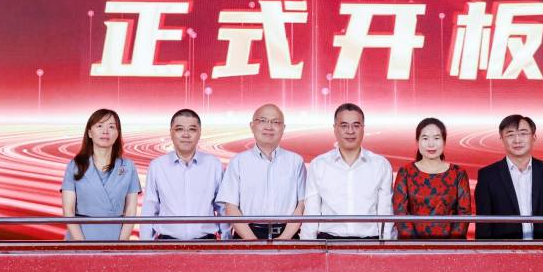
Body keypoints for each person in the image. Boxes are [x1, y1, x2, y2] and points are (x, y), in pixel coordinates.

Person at [302, 103, 394, 240]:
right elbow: (311, 212)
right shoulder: (319, 165)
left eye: (356, 125)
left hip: (370, 241)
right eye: (344, 125)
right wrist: (308, 246)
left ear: (363, 128)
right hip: (328, 241)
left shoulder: (380, 165)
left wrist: (386, 246)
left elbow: (385, 211)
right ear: (335, 128)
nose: (350, 131)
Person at [474, 114, 543, 240]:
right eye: (510, 134)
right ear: (501, 139)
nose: (517, 140)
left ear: (534, 137)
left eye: (523, 133)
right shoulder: (488, 175)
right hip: (504, 248)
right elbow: (483, 225)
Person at [218, 104, 306, 240]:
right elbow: (231, 207)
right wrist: (252, 242)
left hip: (287, 236)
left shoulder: (296, 161)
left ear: (283, 128)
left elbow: (301, 205)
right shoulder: (238, 162)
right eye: (263, 120)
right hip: (246, 236)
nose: (269, 127)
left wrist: (283, 240)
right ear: (252, 126)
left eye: (275, 122)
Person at [140, 108, 225, 240]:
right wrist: (145, 244)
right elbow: (150, 208)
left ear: (199, 133)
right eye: (179, 129)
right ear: (171, 132)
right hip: (167, 243)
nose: (186, 135)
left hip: (206, 242)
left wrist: (227, 241)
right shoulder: (157, 166)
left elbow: (222, 208)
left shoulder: (214, 164)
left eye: (192, 129)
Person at [61, 108, 140, 241]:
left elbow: (131, 210)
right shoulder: (75, 165)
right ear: (89, 133)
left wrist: (121, 243)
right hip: (79, 237)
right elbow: (68, 210)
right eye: (99, 126)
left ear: (117, 133)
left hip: (116, 237)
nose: (105, 131)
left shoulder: (128, 166)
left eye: (111, 127)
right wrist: (82, 245)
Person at [392, 117, 472, 239]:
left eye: (436, 138)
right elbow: (400, 212)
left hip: (450, 246)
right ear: (417, 142)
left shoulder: (458, 173)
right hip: (412, 245)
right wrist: (416, 245)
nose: (431, 144)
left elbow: (464, 213)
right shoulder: (406, 172)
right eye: (425, 138)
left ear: (444, 141)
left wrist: (450, 245)